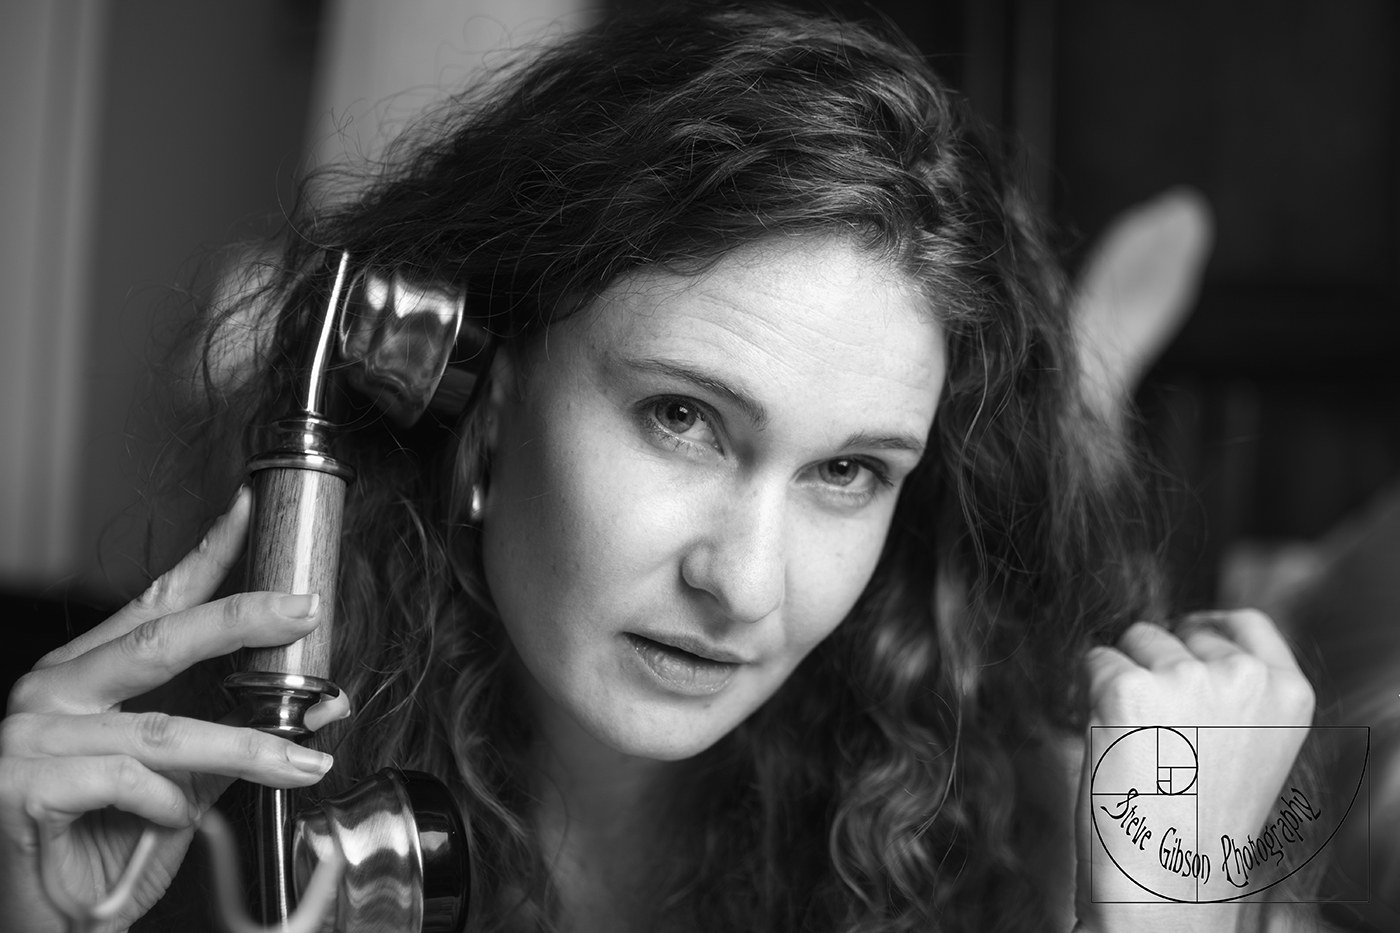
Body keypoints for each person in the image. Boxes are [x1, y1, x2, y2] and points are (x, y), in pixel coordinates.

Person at [0, 4, 1317, 932]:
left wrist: (1176, 909)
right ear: (484, 391)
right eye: (684, 417)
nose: (743, 584)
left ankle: (1086, 395)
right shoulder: (193, 834)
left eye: (849, 471)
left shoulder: (1023, 824)